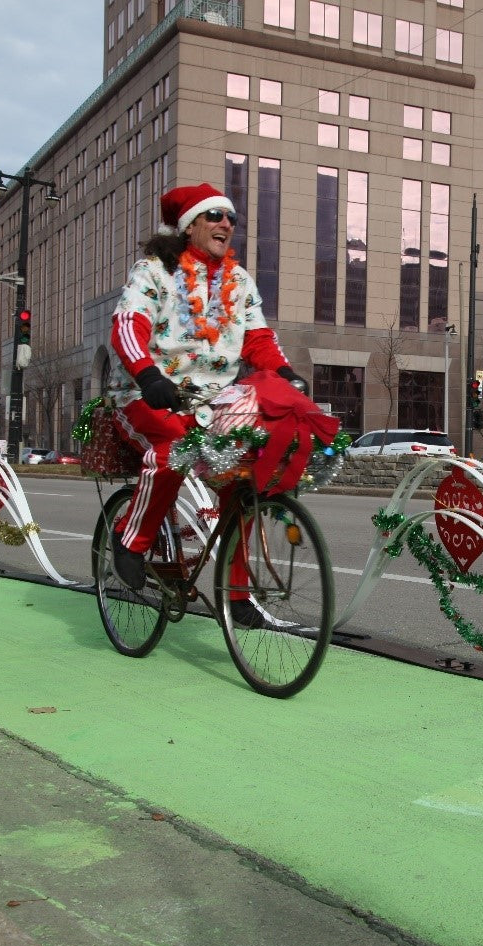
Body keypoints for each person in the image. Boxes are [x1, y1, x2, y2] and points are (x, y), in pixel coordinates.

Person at [107, 183, 335, 627]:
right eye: (214, 217)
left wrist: (286, 376)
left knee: (248, 479)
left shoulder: (238, 281)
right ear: (190, 225)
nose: (226, 225)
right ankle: (130, 538)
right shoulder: (153, 271)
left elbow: (258, 339)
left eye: (230, 218)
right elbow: (127, 326)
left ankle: (237, 592)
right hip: (147, 394)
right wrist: (148, 375)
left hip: (213, 400)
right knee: (175, 448)